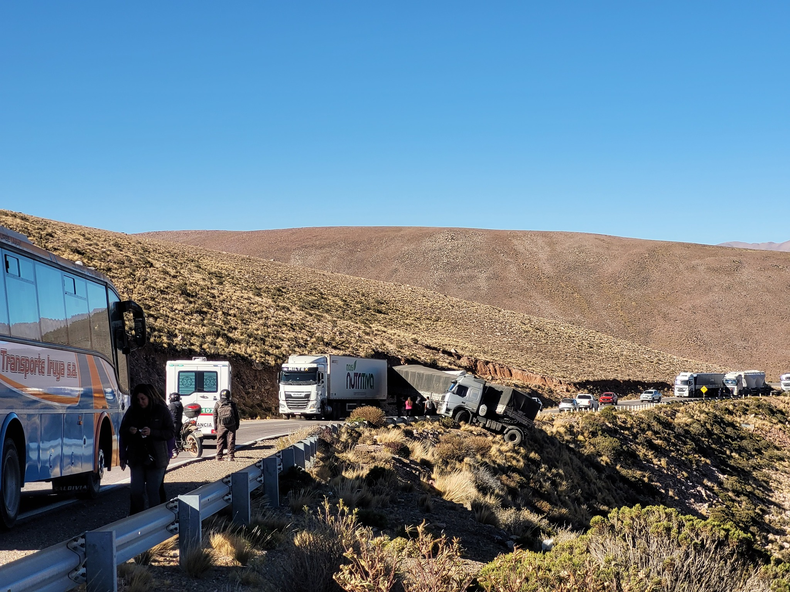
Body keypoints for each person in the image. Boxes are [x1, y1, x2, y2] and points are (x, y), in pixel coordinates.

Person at [120, 384, 175, 515]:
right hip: (136, 457)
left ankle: (156, 519)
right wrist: (129, 431)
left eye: (143, 399)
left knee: (153, 490)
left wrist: (153, 432)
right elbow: (122, 431)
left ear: (149, 397)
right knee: (136, 490)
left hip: (157, 458)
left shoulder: (162, 411)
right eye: (138, 399)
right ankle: (136, 518)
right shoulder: (132, 411)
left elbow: (170, 432)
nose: (140, 402)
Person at [213, 388, 240, 461]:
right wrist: (237, 425)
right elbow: (236, 415)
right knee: (231, 440)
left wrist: (215, 426)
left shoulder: (218, 404)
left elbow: (215, 415)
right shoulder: (232, 404)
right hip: (231, 425)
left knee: (220, 440)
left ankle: (219, 456)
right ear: (229, 395)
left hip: (221, 425)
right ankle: (230, 456)